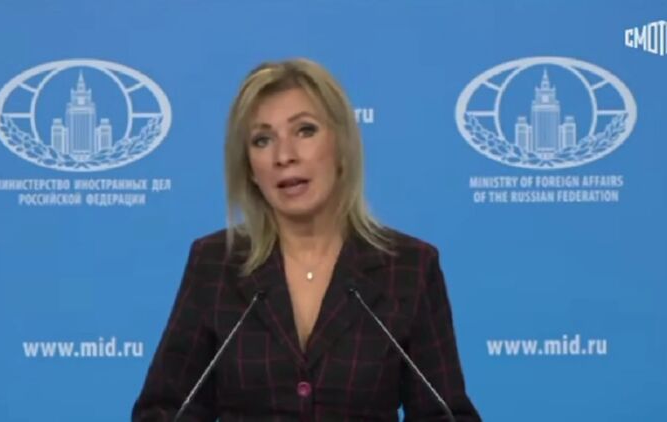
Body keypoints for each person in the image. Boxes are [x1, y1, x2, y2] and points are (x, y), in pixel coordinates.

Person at [132, 58, 481, 421]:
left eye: (305, 131)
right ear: (249, 168)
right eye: (263, 140)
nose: (284, 156)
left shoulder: (409, 267)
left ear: (342, 146)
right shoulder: (215, 263)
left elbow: (445, 415)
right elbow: (162, 411)